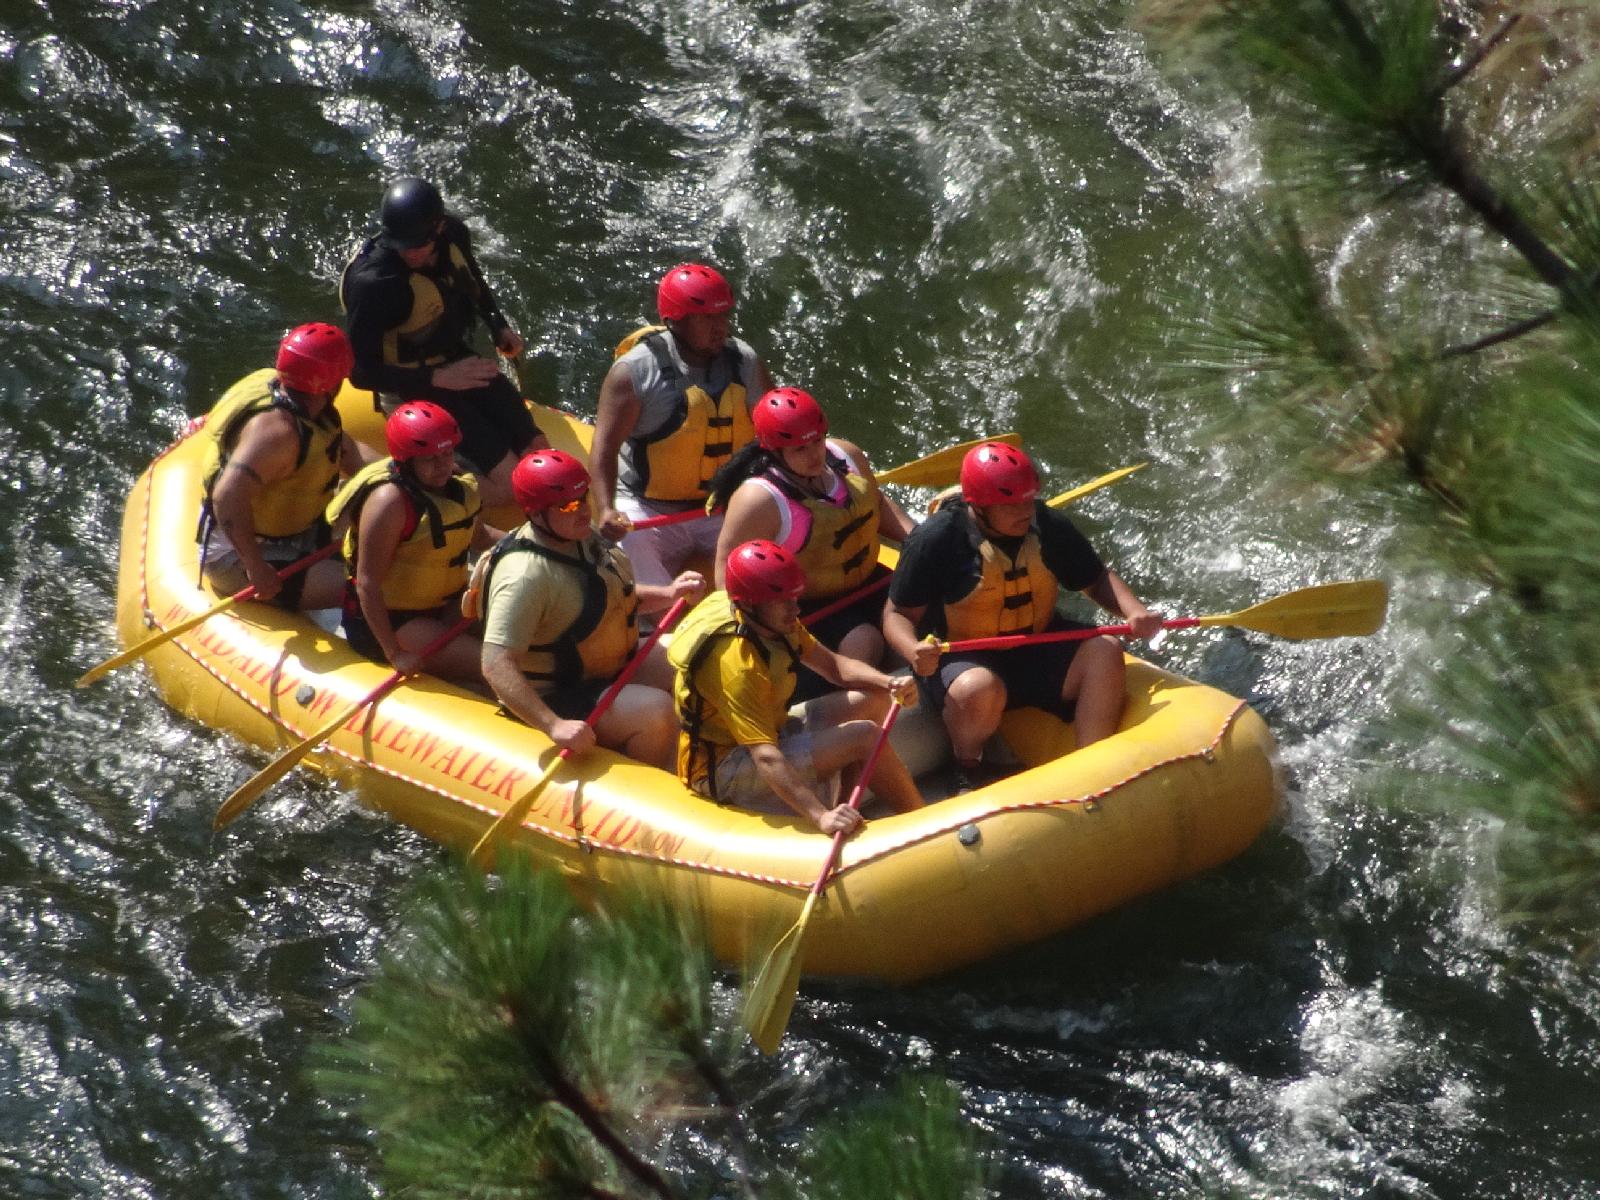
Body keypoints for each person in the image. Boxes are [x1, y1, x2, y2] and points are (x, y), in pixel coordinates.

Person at [882, 442, 1163, 791]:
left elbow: (1095, 579)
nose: (1025, 511)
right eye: (1011, 504)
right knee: (978, 688)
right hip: (964, 657)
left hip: (1035, 644)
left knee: (1106, 649)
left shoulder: (1045, 524)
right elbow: (896, 614)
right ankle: (967, 764)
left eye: (1028, 500)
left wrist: (1134, 610)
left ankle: (1093, 766)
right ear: (979, 506)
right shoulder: (936, 539)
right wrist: (912, 651)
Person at [669, 539, 923, 835]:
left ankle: (844, 810)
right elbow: (765, 755)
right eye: (783, 602)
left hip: (771, 734)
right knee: (865, 736)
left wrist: (888, 682)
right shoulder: (737, 666)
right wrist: (820, 817)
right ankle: (923, 825)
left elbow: (836, 668)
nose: (795, 608)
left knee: (876, 698)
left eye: (794, 597)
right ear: (749, 604)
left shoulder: (771, 621)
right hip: (724, 768)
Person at [479, 450, 705, 769]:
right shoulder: (524, 577)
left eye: (583, 497)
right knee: (656, 710)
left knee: (691, 656)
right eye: (568, 505)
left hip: (602, 666)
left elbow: (614, 597)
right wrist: (553, 724)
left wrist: (669, 594)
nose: (584, 510)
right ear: (537, 514)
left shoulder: (581, 537)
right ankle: (641, 777)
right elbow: (495, 664)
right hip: (560, 694)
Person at [339, 176, 547, 508]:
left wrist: (498, 326)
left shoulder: (454, 234)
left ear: (438, 228)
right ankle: (405, 487)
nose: (409, 252)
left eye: (417, 244)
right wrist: (437, 378)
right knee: (509, 486)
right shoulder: (374, 284)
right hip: (407, 385)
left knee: (536, 447)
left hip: (454, 360)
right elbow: (361, 373)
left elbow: (473, 281)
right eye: (401, 244)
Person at [707, 386, 915, 698]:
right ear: (775, 451)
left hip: (869, 579)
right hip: (804, 604)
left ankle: (914, 685)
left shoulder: (847, 456)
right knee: (863, 640)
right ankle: (840, 705)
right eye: (800, 449)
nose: (815, 454)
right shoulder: (759, 500)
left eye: (817, 441)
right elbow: (728, 573)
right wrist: (758, 633)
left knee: (923, 616)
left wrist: (917, 539)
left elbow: (876, 501)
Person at [589, 262, 775, 589]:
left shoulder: (744, 361)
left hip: (722, 504)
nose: (720, 327)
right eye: (706, 318)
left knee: (783, 534)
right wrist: (606, 509)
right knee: (627, 546)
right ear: (675, 321)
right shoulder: (633, 373)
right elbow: (604, 447)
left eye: (723, 315)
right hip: (650, 510)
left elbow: (774, 432)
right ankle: (661, 612)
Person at [325, 401, 499, 683]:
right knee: (497, 667)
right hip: (395, 622)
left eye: (446, 453)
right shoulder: (388, 504)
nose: (442, 464)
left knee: (529, 648)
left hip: (447, 604)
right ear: (407, 460)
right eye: (429, 458)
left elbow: (480, 536)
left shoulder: (456, 485)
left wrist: (524, 545)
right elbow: (367, 584)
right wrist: (395, 653)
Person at [198, 322, 361, 611]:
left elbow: (347, 452)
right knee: (375, 589)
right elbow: (227, 496)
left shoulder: (304, 408)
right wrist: (255, 567)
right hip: (236, 557)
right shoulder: (277, 434)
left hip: (298, 534)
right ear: (331, 382)